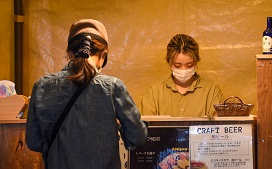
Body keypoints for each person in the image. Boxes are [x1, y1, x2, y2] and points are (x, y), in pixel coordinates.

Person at [26, 19, 148, 169]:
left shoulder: (41, 87)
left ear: (69, 54)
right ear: (103, 55)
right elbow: (137, 137)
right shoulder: (112, 87)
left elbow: (34, 142)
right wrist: (117, 127)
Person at [140, 34, 224, 117]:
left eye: (189, 65)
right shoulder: (154, 93)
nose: (183, 70)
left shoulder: (211, 92)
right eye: (177, 65)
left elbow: (218, 128)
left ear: (196, 62)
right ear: (169, 63)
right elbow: (145, 127)